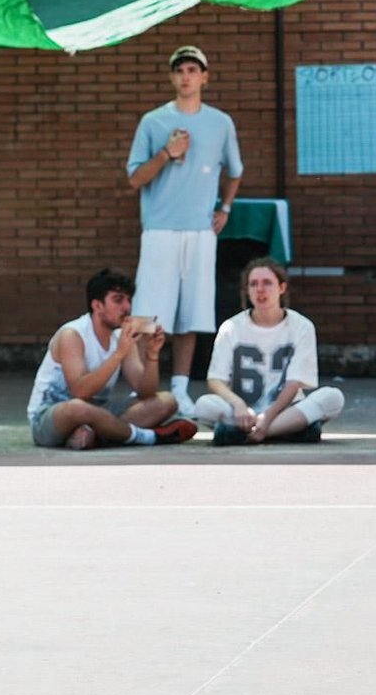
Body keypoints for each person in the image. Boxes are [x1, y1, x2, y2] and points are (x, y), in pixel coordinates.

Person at [124, 45, 244, 413]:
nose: (186, 77)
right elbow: (134, 178)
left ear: (204, 77)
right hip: (160, 228)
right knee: (149, 312)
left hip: (199, 230)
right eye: (180, 71)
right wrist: (166, 153)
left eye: (193, 70)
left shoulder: (220, 122)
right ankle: (144, 386)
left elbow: (235, 170)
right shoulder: (153, 121)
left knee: (191, 312)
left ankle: (179, 389)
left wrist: (224, 208)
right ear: (172, 77)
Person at [26, 269, 195, 449]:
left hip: (98, 410)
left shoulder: (121, 337)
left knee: (167, 401)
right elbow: (80, 392)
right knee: (78, 408)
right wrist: (118, 355)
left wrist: (152, 355)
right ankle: (147, 436)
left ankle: (93, 435)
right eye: (118, 300)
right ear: (97, 305)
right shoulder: (72, 334)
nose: (126, 307)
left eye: (129, 300)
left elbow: (146, 392)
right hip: (51, 414)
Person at [193, 259, 345, 444]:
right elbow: (216, 380)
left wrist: (268, 418)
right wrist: (238, 404)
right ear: (247, 291)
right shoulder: (231, 327)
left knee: (333, 397)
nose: (260, 289)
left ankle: (250, 434)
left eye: (267, 283)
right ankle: (291, 430)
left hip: (286, 410)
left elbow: (294, 383)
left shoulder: (301, 326)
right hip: (244, 413)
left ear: (282, 288)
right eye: (253, 284)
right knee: (203, 406)